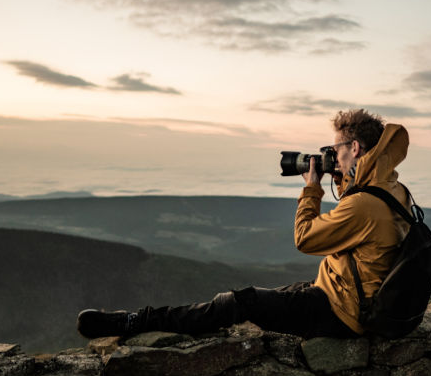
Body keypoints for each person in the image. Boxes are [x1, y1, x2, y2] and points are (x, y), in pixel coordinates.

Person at [77, 109, 412, 339]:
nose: (331, 154)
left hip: (343, 313)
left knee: (240, 301)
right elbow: (360, 230)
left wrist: (312, 188)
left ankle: (135, 322)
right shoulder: (392, 189)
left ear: (354, 148)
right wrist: (342, 176)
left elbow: (305, 238)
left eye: (335, 148)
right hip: (349, 297)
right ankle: (143, 318)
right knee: (269, 295)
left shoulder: (364, 205)